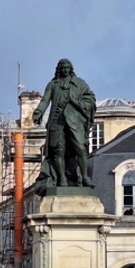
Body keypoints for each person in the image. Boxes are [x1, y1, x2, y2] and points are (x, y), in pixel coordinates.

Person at [33, 58, 96, 189]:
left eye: (67, 67)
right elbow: (45, 100)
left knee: (80, 149)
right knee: (58, 151)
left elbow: (90, 99)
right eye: (63, 68)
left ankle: (85, 177)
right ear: (59, 70)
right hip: (57, 121)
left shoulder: (79, 83)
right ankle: (62, 179)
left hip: (75, 122)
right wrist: (39, 111)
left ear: (71, 69)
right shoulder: (53, 84)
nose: (65, 70)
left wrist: (77, 103)